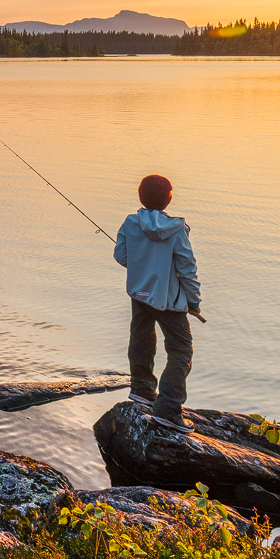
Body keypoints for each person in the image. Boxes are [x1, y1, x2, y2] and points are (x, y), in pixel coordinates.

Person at [113, 174, 202, 433]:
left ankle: (141, 390)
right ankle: (167, 409)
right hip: (168, 301)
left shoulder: (130, 223)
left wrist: (144, 266)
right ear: (168, 199)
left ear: (140, 196)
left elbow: (121, 256)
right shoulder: (176, 230)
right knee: (181, 350)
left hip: (139, 294)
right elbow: (187, 267)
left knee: (141, 338)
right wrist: (194, 300)